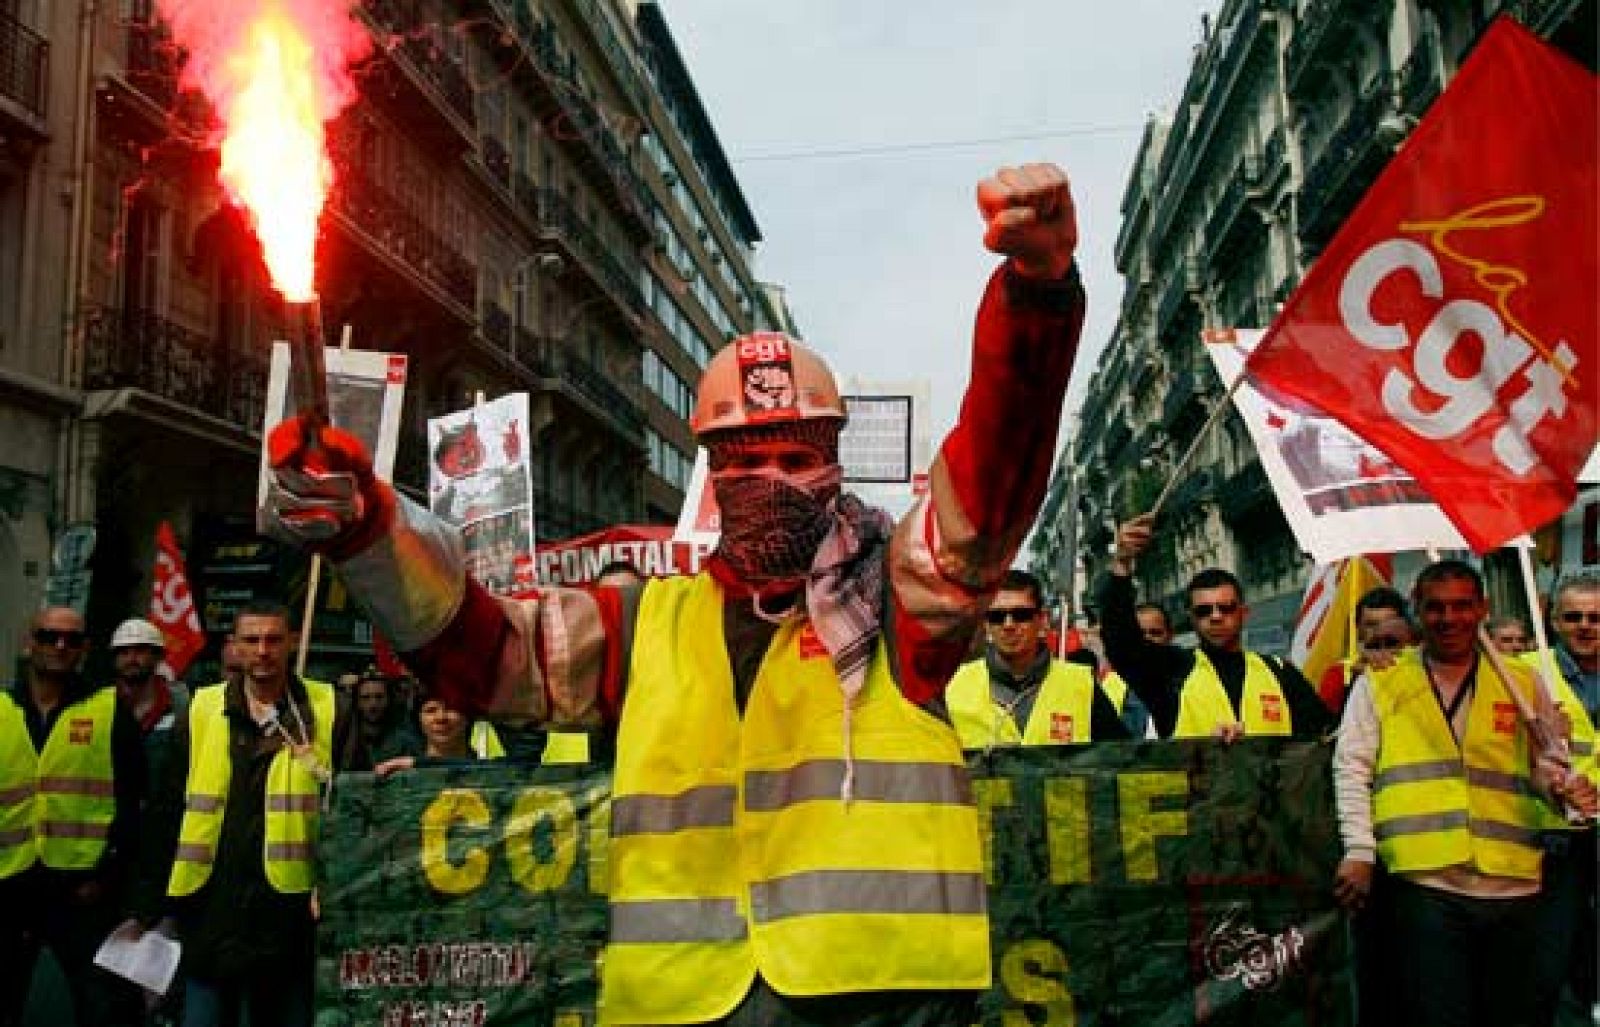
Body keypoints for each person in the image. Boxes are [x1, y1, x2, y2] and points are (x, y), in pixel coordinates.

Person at [261, 162, 1083, 1025]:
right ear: (710, 473)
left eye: (798, 460)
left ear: (835, 462)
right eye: (742, 462)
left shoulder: (894, 597)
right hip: (687, 1000)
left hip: (882, 996)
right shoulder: (642, 619)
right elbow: (484, 649)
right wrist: (369, 529)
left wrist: (1036, 297)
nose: (771, 480)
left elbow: (991, 480)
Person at [1331, 560, 1598, 1027]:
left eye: (1461, 606)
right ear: (1416, 610)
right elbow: (1351, 769)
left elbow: (1538, 773)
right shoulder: (1382, 678)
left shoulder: (1521, 681)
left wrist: (1561, 789)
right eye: (1435, 607)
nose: (1448, 618)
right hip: (1424, 883)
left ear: (1482, 609)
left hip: (1513, 881)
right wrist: (1359, 850)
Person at [132, 599, 366, 1027]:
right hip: (210, 905)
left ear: (293, 642)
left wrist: (333, 888)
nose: (263, 651)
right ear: (234, 646)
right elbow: (166, 810)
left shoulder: (330, 709)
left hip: (289, 910)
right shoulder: (201, 709)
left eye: (274, 639)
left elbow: (353, 811)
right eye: (252, 640)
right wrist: (150, 904)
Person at [1, 607, 145, 1026]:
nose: (59, 646)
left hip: (81, 888)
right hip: (10, 885)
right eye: (49, 636)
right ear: (31, 643)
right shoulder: (2, 709)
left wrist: (108, 874)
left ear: (84, 649)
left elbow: (134, 802)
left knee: (103, 1005)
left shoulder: (108, 710)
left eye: (71, 639)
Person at [1099, 513, 1331, 740]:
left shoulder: (1281, 674)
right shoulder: (1169, 671)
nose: (1216, 617)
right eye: (1204, 610)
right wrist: (1122, 563)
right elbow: (1120, 642)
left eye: (1226, 608)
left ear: (1243, 612)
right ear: (1191, 618)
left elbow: (1325, 735)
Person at [946, 570, 1128, 748]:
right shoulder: (953, 687)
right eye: (997, 617)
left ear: (1042, 620)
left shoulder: (1082, 686)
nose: (1008, 625)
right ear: (986, 624)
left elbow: (1122, 761)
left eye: (1021, 615)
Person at [1530, 570, 1600, 1025]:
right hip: (1555, 841)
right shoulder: (1528, 673)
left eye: (1596, 617)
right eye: (1573, 616)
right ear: (1553, 621)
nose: (1585, 626)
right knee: (1552, 961)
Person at [110, 618, 190, 787]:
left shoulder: (182, 705)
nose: (131, 659)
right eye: (124, 652)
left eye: (140, 651)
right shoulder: (102, 705)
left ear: (158, 656)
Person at [1316, 587, 1414, 713]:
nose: (1381, 632)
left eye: (1389, 623)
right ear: (1358, 630)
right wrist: (1353, 683)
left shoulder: (1424, 664)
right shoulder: (1340, 674)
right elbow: (1329, 726)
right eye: (1372, 625)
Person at [354, 671, 419, 762]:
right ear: (358, 702)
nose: (373, 704)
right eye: (365, 697)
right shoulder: (348, 741)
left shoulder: (405, 742)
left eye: (379, 697)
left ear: (389, 699)